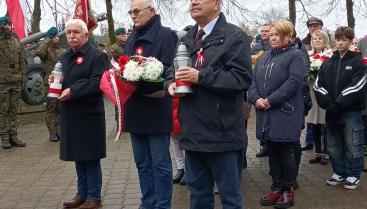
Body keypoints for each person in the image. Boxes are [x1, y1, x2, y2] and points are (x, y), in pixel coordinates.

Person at [167, 0, 252, 208]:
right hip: (193, 134)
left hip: (223, 135)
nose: (193, 2)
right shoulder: (187, 39)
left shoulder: (235, 37)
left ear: (216, 3)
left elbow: (241, 78)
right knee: (198, 197)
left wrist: (201, 76)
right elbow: (172, 71)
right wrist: (170, 84)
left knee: (230, 199)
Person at [124, 0, 178, 208]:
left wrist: (144, 75)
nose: (133, 15)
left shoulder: (167, 35)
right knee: (142, 163)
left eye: (137, 11)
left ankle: (163, 204)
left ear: (152, 11)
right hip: (135, 109)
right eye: (131, 12)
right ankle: (147, 202)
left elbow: (168, 70)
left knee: (160, 164)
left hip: (155, 109)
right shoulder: (131, 38)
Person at [249, 20, 306, 209]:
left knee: (286, 151)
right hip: (265, 113)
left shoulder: (296, 55)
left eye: (277, 34)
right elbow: (253, 83)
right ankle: (276, 187)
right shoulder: (263, 57)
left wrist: (270, 100)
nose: (272, 37)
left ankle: (288, 190)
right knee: (272, 150)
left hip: (285, 111)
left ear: (288, 36)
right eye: (271, 34)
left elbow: (294, 83)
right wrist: (256, 98)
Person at [58, 19, 108, 209]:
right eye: (69, 32)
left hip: (89, 114)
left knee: (90, 156)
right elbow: (59, 78)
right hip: (71, 114)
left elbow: (98, 83)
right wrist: (54, 81)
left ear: (86, 35)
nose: (71, 36)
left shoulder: (97, 56)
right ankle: (82, 193)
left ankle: (94, 196)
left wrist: (73, 90)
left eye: (76, 32)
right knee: (79, 156)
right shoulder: (64, 56)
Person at [314, 26, 366, 190]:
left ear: (351, 41)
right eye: (338, 39)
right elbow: (318, 85)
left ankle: (353, 174)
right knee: (334, 145)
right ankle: (339, 172)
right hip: (331, 111)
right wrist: (329, 104)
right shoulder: (327, 63)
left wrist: (338, 103)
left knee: (353, 144)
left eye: (344, 39)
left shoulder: (358, 62)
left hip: (351, 112)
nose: (341, 42)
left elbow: (358, 86)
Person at [33, 26, 65, 142]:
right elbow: (38, 52)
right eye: (53, 36)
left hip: (61, 81)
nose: (56, 38)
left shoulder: (62, 51)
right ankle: (52, 132)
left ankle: (60, 130)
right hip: (51, 82)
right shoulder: (46, 50)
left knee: (61, 107)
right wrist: (47, 40)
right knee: (51, 107)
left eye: (57, 36)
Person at [306, 29, 333, 165]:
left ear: (325, 41)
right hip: (311, 93)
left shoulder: (330, 55)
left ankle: (326, 152)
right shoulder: (308, 55)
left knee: (325, 123)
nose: (317, 40)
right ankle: (317, 151)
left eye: (320, 38)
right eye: (315, 38)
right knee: (314, 122)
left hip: (325, 92)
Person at [0, 16, 27, 149]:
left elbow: (22, 59)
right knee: (3, 111)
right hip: (2, 82)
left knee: (14, 110)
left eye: (9, 24)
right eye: (5, 25)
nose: (8, 27)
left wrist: (24, 77)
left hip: (16, 80)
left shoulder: (16, 41)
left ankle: (13, 135)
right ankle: (4, 137)